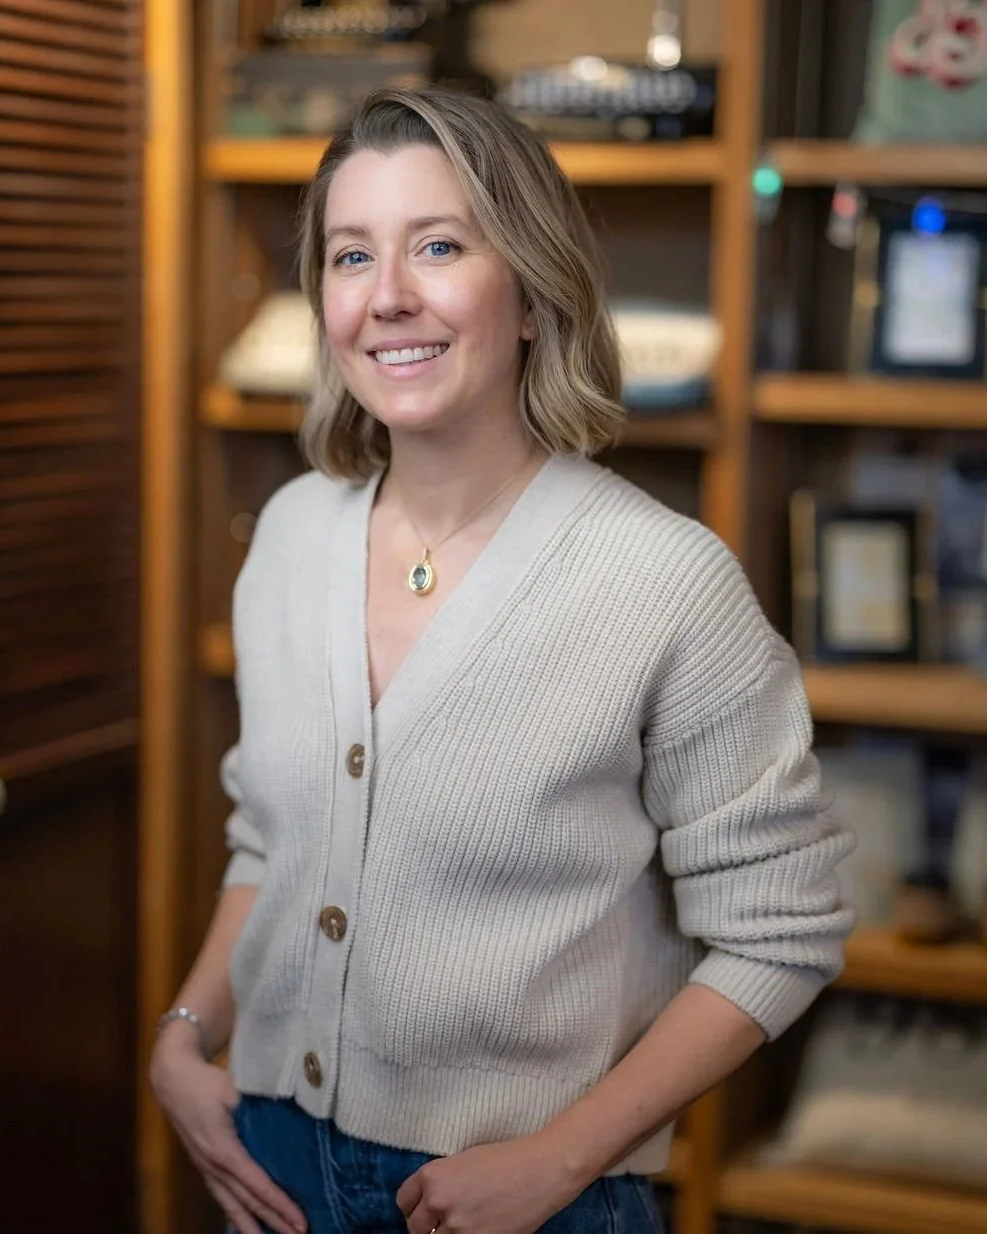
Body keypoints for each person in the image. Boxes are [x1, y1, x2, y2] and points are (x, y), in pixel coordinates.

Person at [150, 86, 855, 1234]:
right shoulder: (287, 535)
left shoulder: (663, 580)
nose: (388, 298)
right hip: (271, 1165)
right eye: (348, 256)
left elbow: (782, 929)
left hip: (528, 1199)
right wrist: (184, 1040)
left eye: (438, 245)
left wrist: (560, 1159)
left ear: (530, 289)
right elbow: (269, 841)